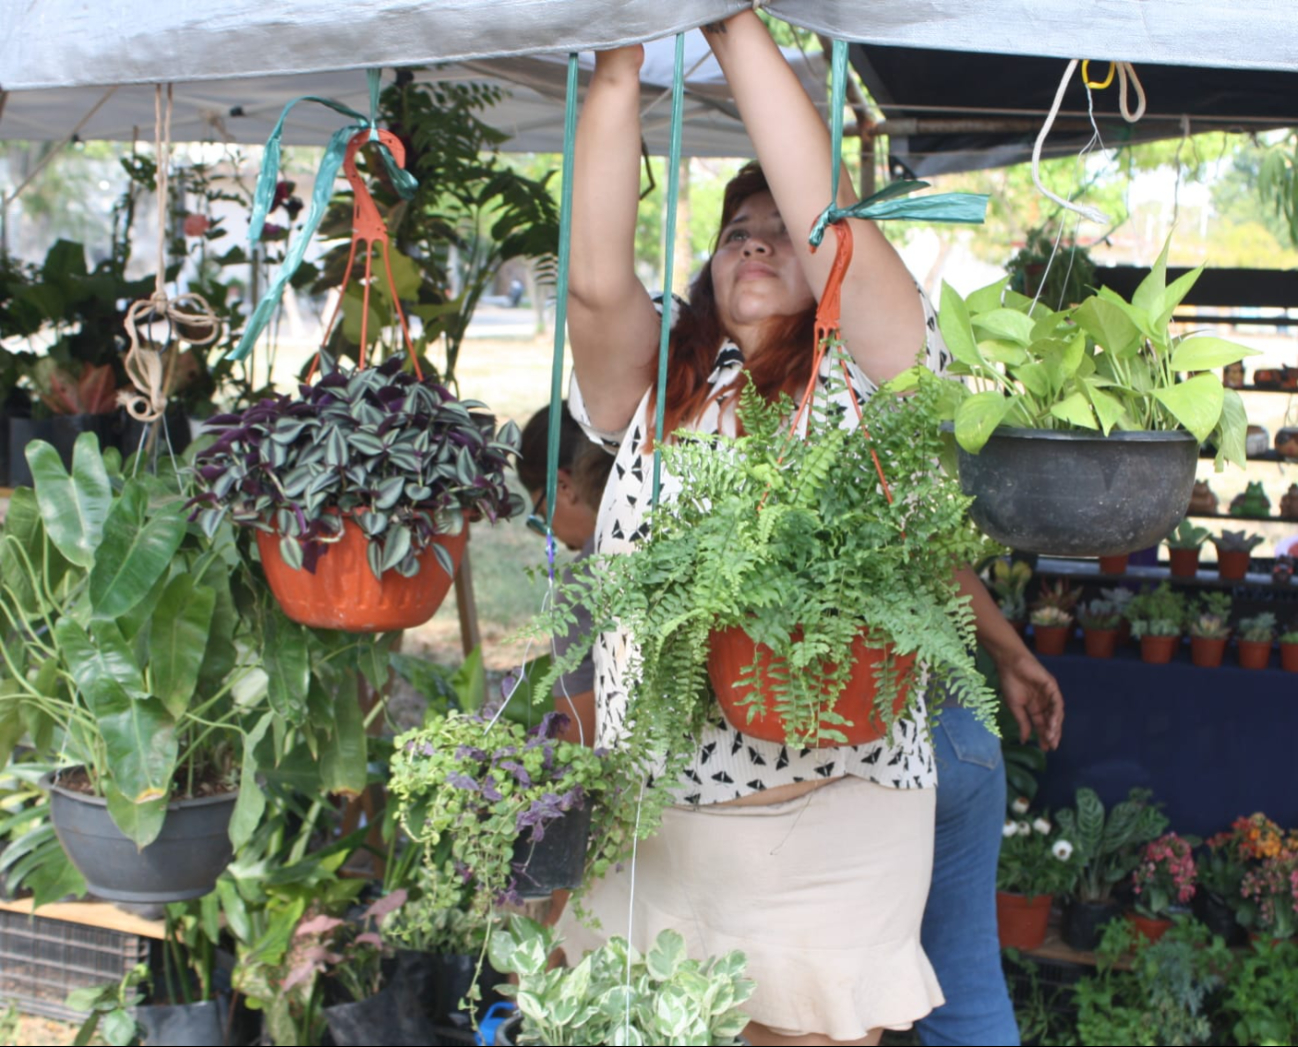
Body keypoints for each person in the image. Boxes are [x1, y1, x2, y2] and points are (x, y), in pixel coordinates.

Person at [560, 13, 1063, 1047]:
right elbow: (595, 282)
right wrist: (615, 59)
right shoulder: (660, 389)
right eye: (731, 232)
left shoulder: (873, 374)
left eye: (775, 230)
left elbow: (828, 219)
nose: (754, 241)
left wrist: (727, 19)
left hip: (829, 811)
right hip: (659, 821)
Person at [516, 402, 612, 746]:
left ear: (563, 486)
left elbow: (579, 745)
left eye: (542, 513)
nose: (550, 532)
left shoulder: (583, 587)